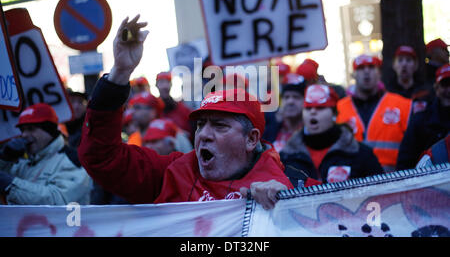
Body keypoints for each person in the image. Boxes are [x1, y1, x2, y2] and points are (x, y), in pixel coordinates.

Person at [78, 15, 307, 210]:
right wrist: (120, 71)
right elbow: (101, 158)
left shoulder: (291, 186)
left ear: (251, 139)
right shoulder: (173, 174)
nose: (204, 135)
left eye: (219, 126)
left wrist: (293, 204)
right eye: (200, 125)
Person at [280, 84, 383, 186]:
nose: (313, 112)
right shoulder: (286, 156)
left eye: (320, 108)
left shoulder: (360, 154)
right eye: (308, 108)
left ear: (334, 114)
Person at [0, 103, 91, 205]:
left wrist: (11, 185)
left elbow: (59, 200)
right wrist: (4, 159)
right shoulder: (24, 161)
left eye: (31, 129)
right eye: (22, 130)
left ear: (49, 130)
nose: (24, 135)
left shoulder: (73, 160)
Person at [337, 54, 412, 172]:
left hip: (395, 180)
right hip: (354, 182)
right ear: (354, 75)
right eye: (361, 68)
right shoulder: (339, 108)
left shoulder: (403, 105)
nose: (366, 72)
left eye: (371, 67)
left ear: (379, 73)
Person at [396, 64, 450, 170]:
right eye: (445, 84)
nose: (449, 90)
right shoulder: (420, 121)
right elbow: (404, 163)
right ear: (436, 88)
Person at [263, 74, 305, 152]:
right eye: (286, 97)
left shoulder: (310, 131)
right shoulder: (270, 129)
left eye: (296, 97)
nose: (290, 102)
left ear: (304, 101)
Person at [156, 71, 195, 140]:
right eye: (161, 82)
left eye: (167, 82)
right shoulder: (152, 110)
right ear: (156, 85)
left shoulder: (182, 109)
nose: (165, 86)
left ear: (171, 84)